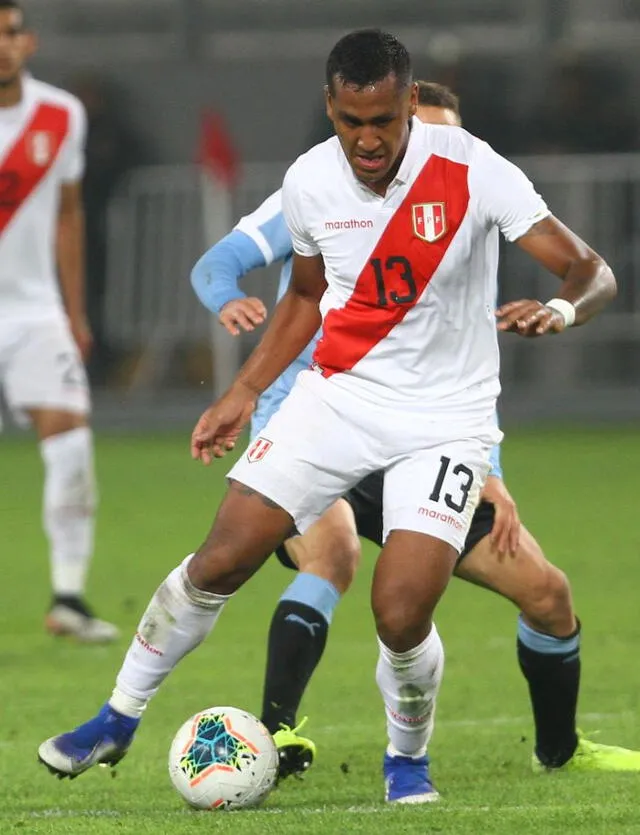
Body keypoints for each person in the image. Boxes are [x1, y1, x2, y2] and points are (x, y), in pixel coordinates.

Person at [39, 31, 617, 804]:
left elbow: (591, 269)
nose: (368, 139)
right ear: (330, 108)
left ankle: (405, 761)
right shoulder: (310, 179)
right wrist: (241, 392)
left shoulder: (474, 170)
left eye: (383, 120)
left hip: (444, 423)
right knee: (221, 557)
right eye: (351, 121)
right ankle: (117, 714)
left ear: (412, 103)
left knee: (401, 609)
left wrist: (558, 306)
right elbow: (306, 298)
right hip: (337, 401)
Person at [189, 79, 640, 785]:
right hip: (317, 430)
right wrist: (232, 305)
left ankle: (560, 749)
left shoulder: (464, 208)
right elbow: (217, 262)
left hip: (426, 446)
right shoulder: (317, 195)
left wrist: (489, 469)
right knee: (331, 554)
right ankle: (276, 732)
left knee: (547, 593)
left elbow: (463, 375)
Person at [0, 0, 118, 642]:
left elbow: (69, 215)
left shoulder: (59, 115)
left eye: (11, 33)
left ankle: (68, 597)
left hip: (32, 311)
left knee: (71, 445)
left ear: (29, 41)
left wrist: (74, 313)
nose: (2, 45)